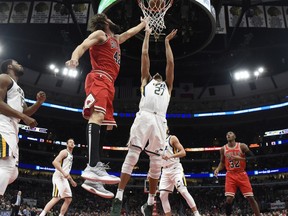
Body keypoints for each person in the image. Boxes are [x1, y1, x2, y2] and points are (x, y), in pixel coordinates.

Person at [65, 13, 149, 197]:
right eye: (110, 19)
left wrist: (143, 24)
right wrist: (75, 58)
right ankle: (92, 165)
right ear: (104, 21)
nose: (113, 20)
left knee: (105, 126)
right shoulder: (100, 34)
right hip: (99, 76)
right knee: (97, 117)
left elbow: (129, 33)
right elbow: (82, 46)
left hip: (109, 82)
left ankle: (93, 179)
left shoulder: (115, 39)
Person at [110, 27, 178, 216]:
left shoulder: (168, 86)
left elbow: (170, 62)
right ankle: (119, 196)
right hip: (145, 116)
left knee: (156, 163)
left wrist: (166, 43)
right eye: (154, 74)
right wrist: (147, 35)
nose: (157, 73)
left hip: (160, 121)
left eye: (160, 74)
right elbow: (145, 54)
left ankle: (149, 203)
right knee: (133, 155)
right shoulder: (145, 81)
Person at [0, 59, 46, 198]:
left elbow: (25, 112)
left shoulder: (19, 89)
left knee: (13, 173)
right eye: (17, 63)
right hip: (2, 124)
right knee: (6, 167)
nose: (20, 64)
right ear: (9, 66)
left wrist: (38, 103)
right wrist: (23, 117)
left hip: (12, 128)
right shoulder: (4, 78)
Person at [214, 131, 261, 216]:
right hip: (230, 174)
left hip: (241, 173)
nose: (228, 135)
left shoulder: (242, 146)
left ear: (235, 136)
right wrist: (217, 169)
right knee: (229, 199)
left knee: (250, 197)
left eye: (230, 133)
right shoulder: (223, 149)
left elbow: (253, 158)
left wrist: (239, 158)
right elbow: (222, 162)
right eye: (227, 134)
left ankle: (258, 214)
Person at [159, 130, 201, 216]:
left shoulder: (172, 138)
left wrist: (170, 156)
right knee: (162, 195)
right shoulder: (157, 141)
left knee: (183, 191)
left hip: (175, 168)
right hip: (165, 170)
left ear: (167, 129)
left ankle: (196, 213)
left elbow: (183, 152)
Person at [39, 138, 77, 216]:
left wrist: (72, 181)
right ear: (67, 144)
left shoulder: (71, 155)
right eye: (70, 142)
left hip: (64, 178)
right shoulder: (64, 152)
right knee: (56, 197)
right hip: (58, 177)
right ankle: (42, 214)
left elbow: (67, 171)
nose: (72, 143)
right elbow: (55, 162)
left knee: (68, 199)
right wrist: (63, 172)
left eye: (73, 142)